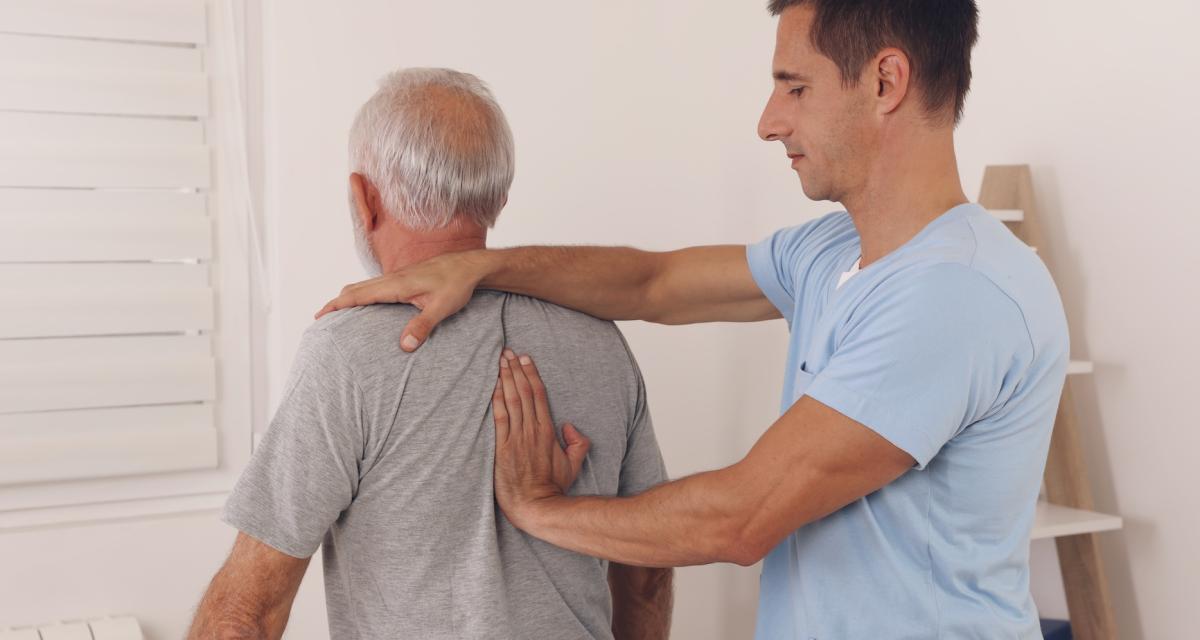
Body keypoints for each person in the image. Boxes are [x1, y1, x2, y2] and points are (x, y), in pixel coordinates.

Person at [316, 1, 1071, 638]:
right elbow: (657, 282)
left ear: (885, 81)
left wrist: (538, 508)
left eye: (795, 88)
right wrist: (484, 265)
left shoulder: (954, 293)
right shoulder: (835, 250)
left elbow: (741, 519)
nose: (769, 122)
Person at [188, 68, 673, 640]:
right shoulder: (601, 342)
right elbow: (647, 571)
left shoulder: (349, 354)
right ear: (497, 197)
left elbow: (248, 611)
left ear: (363, 199)